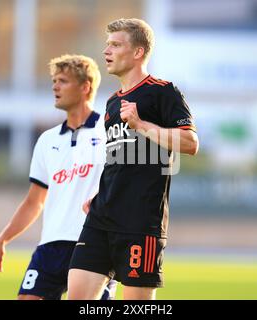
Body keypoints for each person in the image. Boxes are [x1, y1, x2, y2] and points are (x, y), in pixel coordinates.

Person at [67, 18, 199, 300]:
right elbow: (120, 157)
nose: (106, 51)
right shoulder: (112, 102)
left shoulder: (163, 92)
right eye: (107, 45)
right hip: (102, 216)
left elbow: (190, 143)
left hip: (141, 222)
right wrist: (102, 193)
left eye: (115, 45)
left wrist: (142, 125)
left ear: (138, 52)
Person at [0, 54, 116, 300]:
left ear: (85, 87)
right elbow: (35, 201)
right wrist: (2, 239)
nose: (55, 86)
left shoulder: (109, 132)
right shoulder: (47, 140)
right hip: (51, 245)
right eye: (54, 81)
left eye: (63, 81)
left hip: (93, 243)